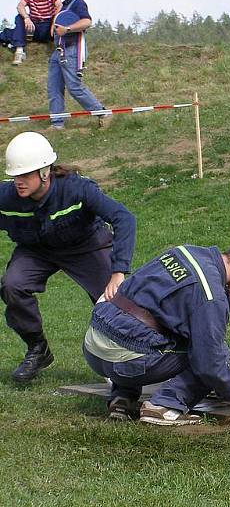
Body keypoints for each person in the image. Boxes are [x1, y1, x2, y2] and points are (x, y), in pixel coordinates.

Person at [83, 234, 230, 424]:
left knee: (145, 326)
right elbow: (209, 364)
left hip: (94, 344)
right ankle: (164, 406)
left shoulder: (184, 253)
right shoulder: (211, 295)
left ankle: (122, 399)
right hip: (125, 362)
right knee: (210, 357)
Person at [1, 132, 136, 383]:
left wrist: (118, 272)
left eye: (25, 175)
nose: (18, 181)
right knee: (12, 285)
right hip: (36, 251)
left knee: (116, 301)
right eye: (15, 176)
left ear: (45, 172)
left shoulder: (77, 189)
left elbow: (124, 218)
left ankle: (127, 359)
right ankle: (37, 349)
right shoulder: (6, 198)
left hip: (86, 246)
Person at [47, 0, 107, 129]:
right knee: (54, 87)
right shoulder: (65, 4)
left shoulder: (78, 3)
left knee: (74, 87)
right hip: (59, 50)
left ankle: (102, 113)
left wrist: (67, 29)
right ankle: (57, 123)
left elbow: (87, 21)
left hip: (72, 50)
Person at [0, 0, 61, 66]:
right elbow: (20, 6)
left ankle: (61, 49)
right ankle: (19, 50)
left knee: (61, 19)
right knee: (19, 17)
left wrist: (54, 22)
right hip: (34, 27)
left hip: (48, 28)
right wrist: (26, 18)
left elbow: (59, 5)